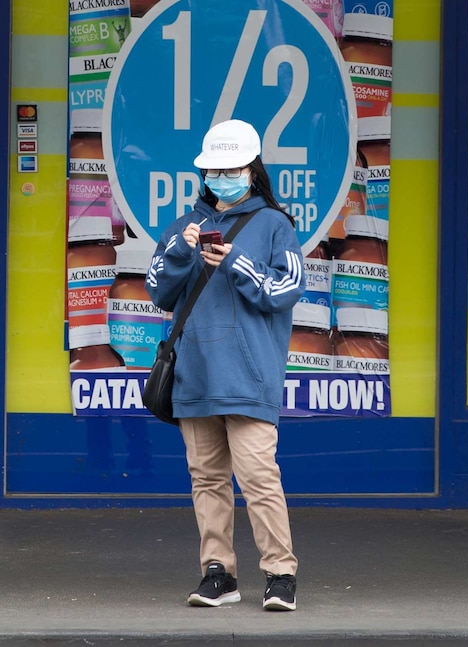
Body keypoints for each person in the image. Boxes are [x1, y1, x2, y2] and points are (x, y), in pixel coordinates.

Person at [146, 119, 305, 608]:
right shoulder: (184, 228)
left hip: (249, 378)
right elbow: (158, 291)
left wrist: (238, 263)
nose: (220, 175)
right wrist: (180, 250)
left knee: (259, 476)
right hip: (195, 376)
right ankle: (219, 574)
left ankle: (280, 574)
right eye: (212, 168)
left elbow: (286, 289)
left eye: (230, 167)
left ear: (252, 170)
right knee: (207, 479)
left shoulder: (276, 226)